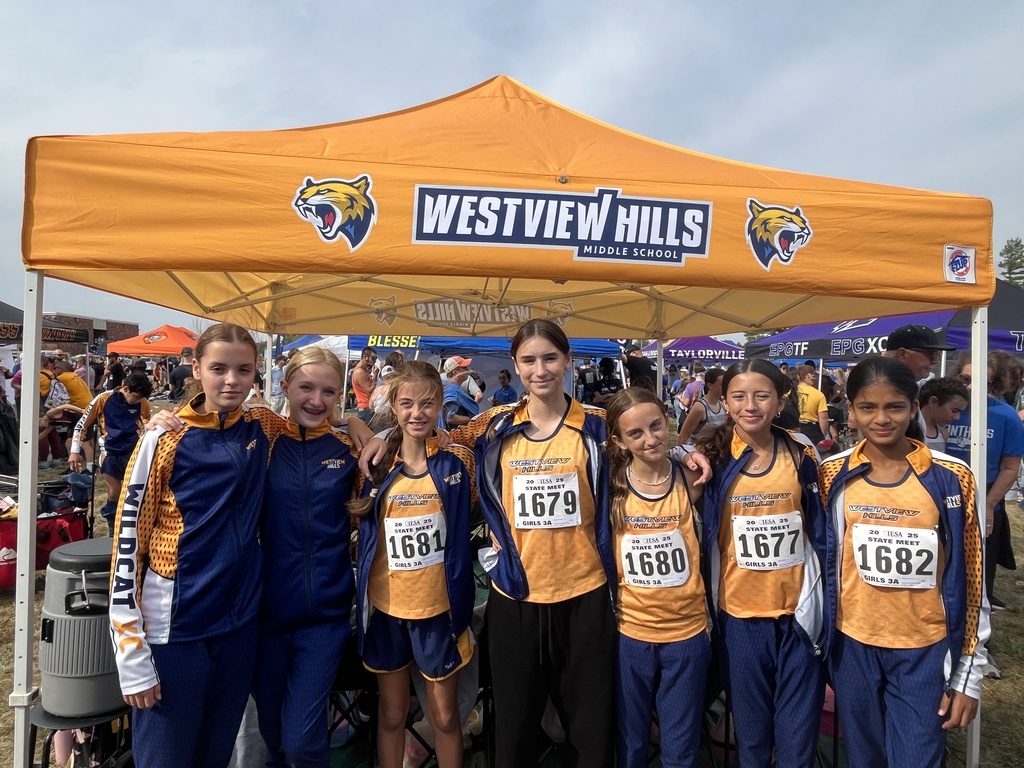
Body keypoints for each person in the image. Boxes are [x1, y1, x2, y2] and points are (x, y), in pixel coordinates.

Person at [108, 323, 286, 768]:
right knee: (165, 759)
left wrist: (364, 426)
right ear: (196, 368)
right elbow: (127, 547)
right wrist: (131, 656)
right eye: (219, 368)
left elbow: (318, 426)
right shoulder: (163, 438)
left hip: (239, 624)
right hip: (176, 630)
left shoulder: (262, 424)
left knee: (215, 755)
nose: (232, 380)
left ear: (256, 373)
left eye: (243, 370)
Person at [819, 356, 985, 767]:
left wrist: (970, 673)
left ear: (914, 408)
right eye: (867, 407)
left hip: (923, 648)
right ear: (851, 411)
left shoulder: (953, 476)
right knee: (864, 758)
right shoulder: (831, 474)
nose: (881, 419)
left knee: (915, 757)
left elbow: (973, 573)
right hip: (852, 644)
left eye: (894, 407)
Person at [697, 359, 829, 768]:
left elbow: (822, 526)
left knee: (797, 737)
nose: (749, 405)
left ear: (780, 400)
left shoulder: (801, 451)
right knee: (751, 737)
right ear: (725, 399)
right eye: (738, 396)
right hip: (740, 613)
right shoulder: (709, 456)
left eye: (761, 395)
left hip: (798, 615)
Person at [350, 361, 476, 768]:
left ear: (441, 404)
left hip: (438, 611)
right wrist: (359, 423)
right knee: (391, 714)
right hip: (386, 609)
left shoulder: (458, 462)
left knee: (443, 715)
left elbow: (494, 425)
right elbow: (322, 420)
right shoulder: (376, 463)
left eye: (427, 403)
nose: (417, 413)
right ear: (394, 406)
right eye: (407, 404)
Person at [605, 387, 710, 768]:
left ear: (668, 422)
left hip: (687, 634)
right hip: (630, 633)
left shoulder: (690, 480)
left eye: (656, 426)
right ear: (618, 440)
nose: (649, 439)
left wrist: (686, 451)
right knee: (630, 743)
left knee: (680, 747)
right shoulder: (610, 486)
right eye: (636, 433)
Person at [946, 352, 1024, 614]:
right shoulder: (947, 408)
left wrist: (989, 504)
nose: (970, 386)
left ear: (996, 384)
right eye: (965, 378)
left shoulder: (1006, 416)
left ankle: (976, 639)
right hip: (944, 494)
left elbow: (1010, 467)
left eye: (981, 381)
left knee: (978, 575)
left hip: (985, 495)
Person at [70, 373, 153, 531]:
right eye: (135, 398)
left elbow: (149, 422)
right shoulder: (103, 399)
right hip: (110, 452)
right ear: (126, 388)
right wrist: (75, 451)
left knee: (135, 491)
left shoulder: (143, 402)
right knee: (115, 491)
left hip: (133, 451)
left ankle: (134, 527)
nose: (137, 401)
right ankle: (112, 528)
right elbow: (82, 424)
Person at [883, 324, 955, 382]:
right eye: (930, 353)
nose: (935, 361)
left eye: (937, 354)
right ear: (902, 355)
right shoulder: (879, 390)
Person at [918, 377, 969, 453]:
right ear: (933, 402)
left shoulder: (943, 434)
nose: (957, 417)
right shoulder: (907, 430)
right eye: (954, 411)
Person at [677, 367, 726, 443]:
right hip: (697, 452)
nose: (726, 387)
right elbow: (683, 437)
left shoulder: (722, 405)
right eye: (722, 384)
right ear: (710, 385)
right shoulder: (700, 407)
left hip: (714, 453)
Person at [439, 355, 479, 428]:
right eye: (464, 368)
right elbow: (450, 418)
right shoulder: (452, 390)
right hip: (453, 436)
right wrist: (471, 419)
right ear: (455, 372)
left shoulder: (446, 385)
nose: (468, 369)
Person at [796, 364, 829, 445]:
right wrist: (823, 434)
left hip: (793, 426)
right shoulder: (818, 394)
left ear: (798, 376)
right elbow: (823, 418)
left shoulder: (790, 392)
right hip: (812, 429)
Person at [351, 346, 379, 421]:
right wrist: (375, 376)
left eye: (376, 358)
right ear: (365, 357)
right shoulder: (359, 372)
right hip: (366, 409)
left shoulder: (363, 371)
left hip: (367, 408)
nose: (375, 361)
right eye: (373, 358)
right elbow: (369, 391)